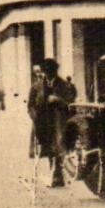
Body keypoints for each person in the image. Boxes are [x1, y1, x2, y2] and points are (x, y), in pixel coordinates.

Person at [27, 58, 75, 187]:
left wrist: (58, 100)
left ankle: (57, 174)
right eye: (46, 72)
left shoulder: (64, 85)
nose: (48, 74)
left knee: (58, 146)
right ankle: (55, 174)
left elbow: (71, 104)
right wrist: (35, 118)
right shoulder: (36, 87)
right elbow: (30, 105)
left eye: (51, 71)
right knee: (48, 147)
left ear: (55, 71)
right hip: (43, 122)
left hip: (59, 121)